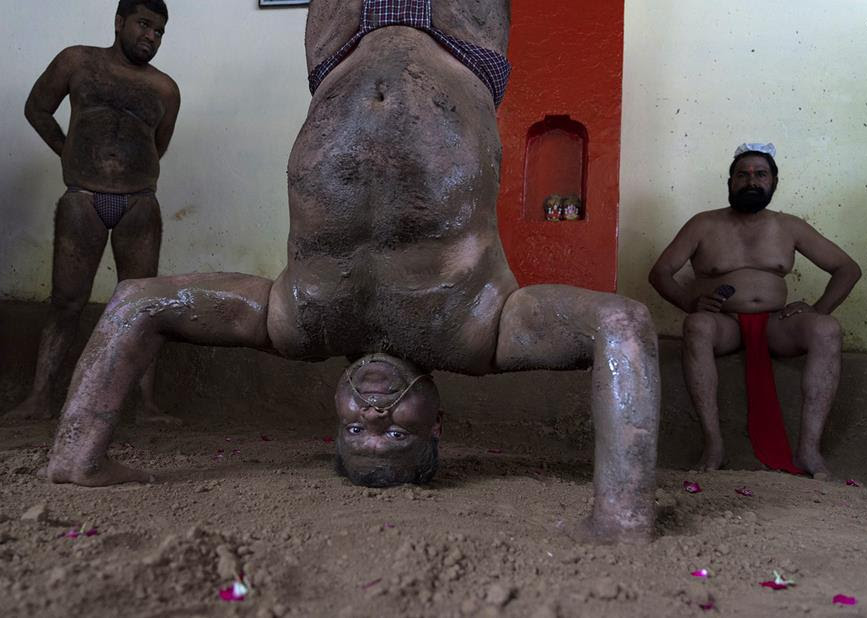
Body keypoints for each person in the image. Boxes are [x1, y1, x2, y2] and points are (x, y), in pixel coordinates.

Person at [47, 0, 660, 544]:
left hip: (340, 44)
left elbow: (133, 303)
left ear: (334, 412)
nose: (374, 416)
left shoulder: (296, 325)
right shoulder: (483, 333)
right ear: (435, 421)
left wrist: (79, 458)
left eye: (354, 432)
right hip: (458, 40)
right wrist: (622, 514)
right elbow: (623, 324)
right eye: (397, 437)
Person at [8, 0, 180, 422]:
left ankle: (143, 406)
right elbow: (37, 108)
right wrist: (71, 153)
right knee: (67, 302)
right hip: (83, 199)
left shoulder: (165, 89)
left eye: (159, 32)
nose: (150, 37)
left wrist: (129, 172)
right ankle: (39, 399)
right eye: (143, 25)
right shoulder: (77, 61)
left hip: (139, 204)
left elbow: (158, 146)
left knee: (140, 306)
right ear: (119, 21)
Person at [648, 143, 861, 478]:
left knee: (827, 328)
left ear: (773, 182)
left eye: (760, 174)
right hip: (725, 324)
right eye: (742, 174)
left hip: (777, 325)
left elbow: (847, 268)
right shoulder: (702, 224)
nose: (751, 181)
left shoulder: (790, 226)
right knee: (697, 325)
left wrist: (819, 309)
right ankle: (713, 444)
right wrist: (689, 302)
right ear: (730, 181)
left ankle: (808, 450)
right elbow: (660, 272)